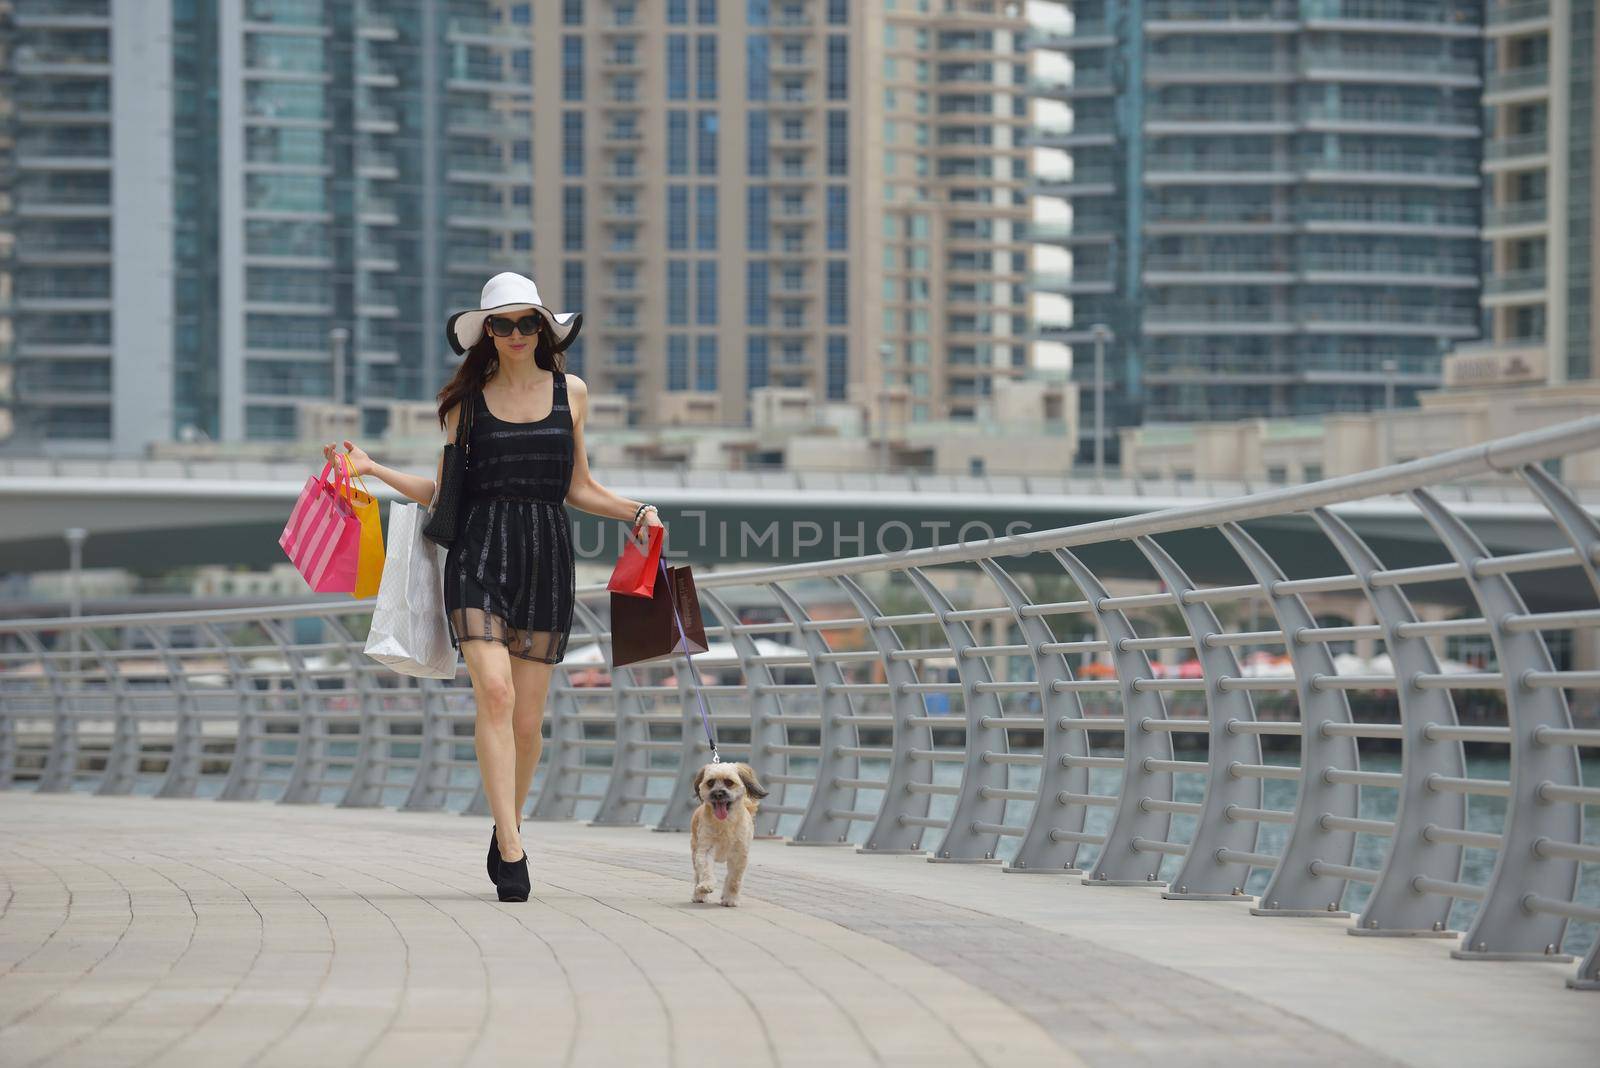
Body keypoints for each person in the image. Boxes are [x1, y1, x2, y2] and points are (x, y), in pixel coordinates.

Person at [325, 272, 665, 902]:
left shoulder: (573, 393)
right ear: (486, 333)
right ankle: (512, 846)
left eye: (526, 322)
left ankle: (505, 820)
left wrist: (637, 511)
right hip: (479, 553)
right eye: (502, 325)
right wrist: (372, 470)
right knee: (497, 694)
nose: (515, 335)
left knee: (529, 723)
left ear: (544, 328)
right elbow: (444, 493)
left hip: (545, 556)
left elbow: (578, 487)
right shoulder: (465, 403)